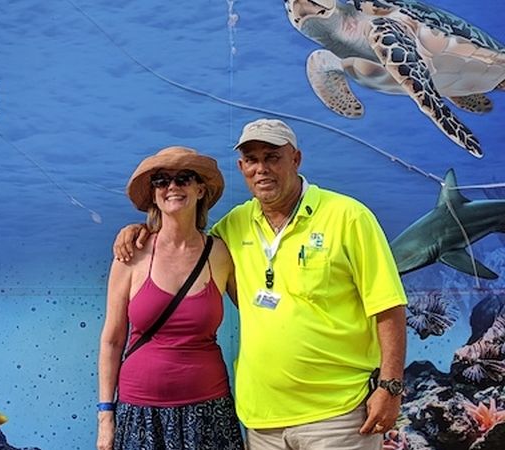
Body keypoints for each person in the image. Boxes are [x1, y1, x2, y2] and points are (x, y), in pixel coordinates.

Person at [114, 119, 407, 450]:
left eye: (272, 157)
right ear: (241, 167)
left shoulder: (349, 216)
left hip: (337, 416)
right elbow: (182, 239)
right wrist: (139, 232)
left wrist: (390, 386)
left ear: (295, 159)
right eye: (251, 160)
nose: (261, 169)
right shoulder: (233, 227)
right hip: (261, 421)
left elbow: (388, 305)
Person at [97, 146, 244, 450]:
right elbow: (112, 340)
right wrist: (105, 417)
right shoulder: (131, 254)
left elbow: (259, 313)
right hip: (139, 413)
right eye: (161, 181)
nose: (172, 187)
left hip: (208, 411)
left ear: (201, 189)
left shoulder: (220, 253)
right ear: (153, 194)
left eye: (184, 178)